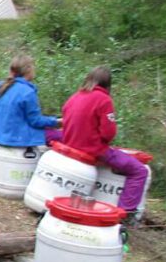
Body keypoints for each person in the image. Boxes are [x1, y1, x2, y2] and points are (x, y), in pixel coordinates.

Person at [62, 66, 149, 216]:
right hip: (92, 149)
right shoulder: (104, 100)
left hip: (70, 145)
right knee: (139, 171)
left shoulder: (74, 97)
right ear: (108, 84)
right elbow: (109, 132)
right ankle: (125, 212)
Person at [0, 54, 62, 148]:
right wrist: (57, 122)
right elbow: (35, 121)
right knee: (62, 136)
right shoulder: (27, 92)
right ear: (29, 70)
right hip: (19, 139)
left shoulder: (0, 87)